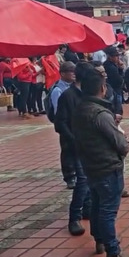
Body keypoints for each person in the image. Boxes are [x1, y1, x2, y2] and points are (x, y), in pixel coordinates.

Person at [72, 69, 129, 257]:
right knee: (108, 210)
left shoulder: (80, 109)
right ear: (102, 88)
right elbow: (120, 144)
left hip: (90, 165)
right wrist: (123, 142)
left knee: (97, 205)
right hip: (107, 167)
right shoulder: (100, 113)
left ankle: (99, 239)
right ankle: (113, 251)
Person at [55, 62, 95, 236]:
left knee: (90, 179)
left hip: (90, 144)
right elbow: (60, 123)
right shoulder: (67, 95)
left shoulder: (87, 94)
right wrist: (74, 139)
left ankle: (87, 208)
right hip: (77, 145)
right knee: (83, 180)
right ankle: (74, 217)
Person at [50, 61, 78, 189]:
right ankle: (69, 176)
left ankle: (77, 173)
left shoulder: (74, 87)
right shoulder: (58, 90)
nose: (73, 74)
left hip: (75, 124)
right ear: (62, 74)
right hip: (65, 125)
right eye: (70, 71)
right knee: (67, 151)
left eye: (74, 71)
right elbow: (58, 112)